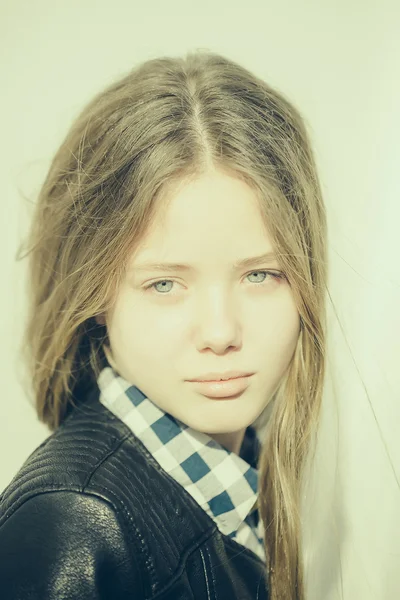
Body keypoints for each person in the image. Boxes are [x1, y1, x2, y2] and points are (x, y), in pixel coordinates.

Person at [0, 50, 328, 599]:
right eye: (164, 285)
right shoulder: (74, 523)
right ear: (94, 295)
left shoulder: (235, 473)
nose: (221, 332)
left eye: (262, 275)